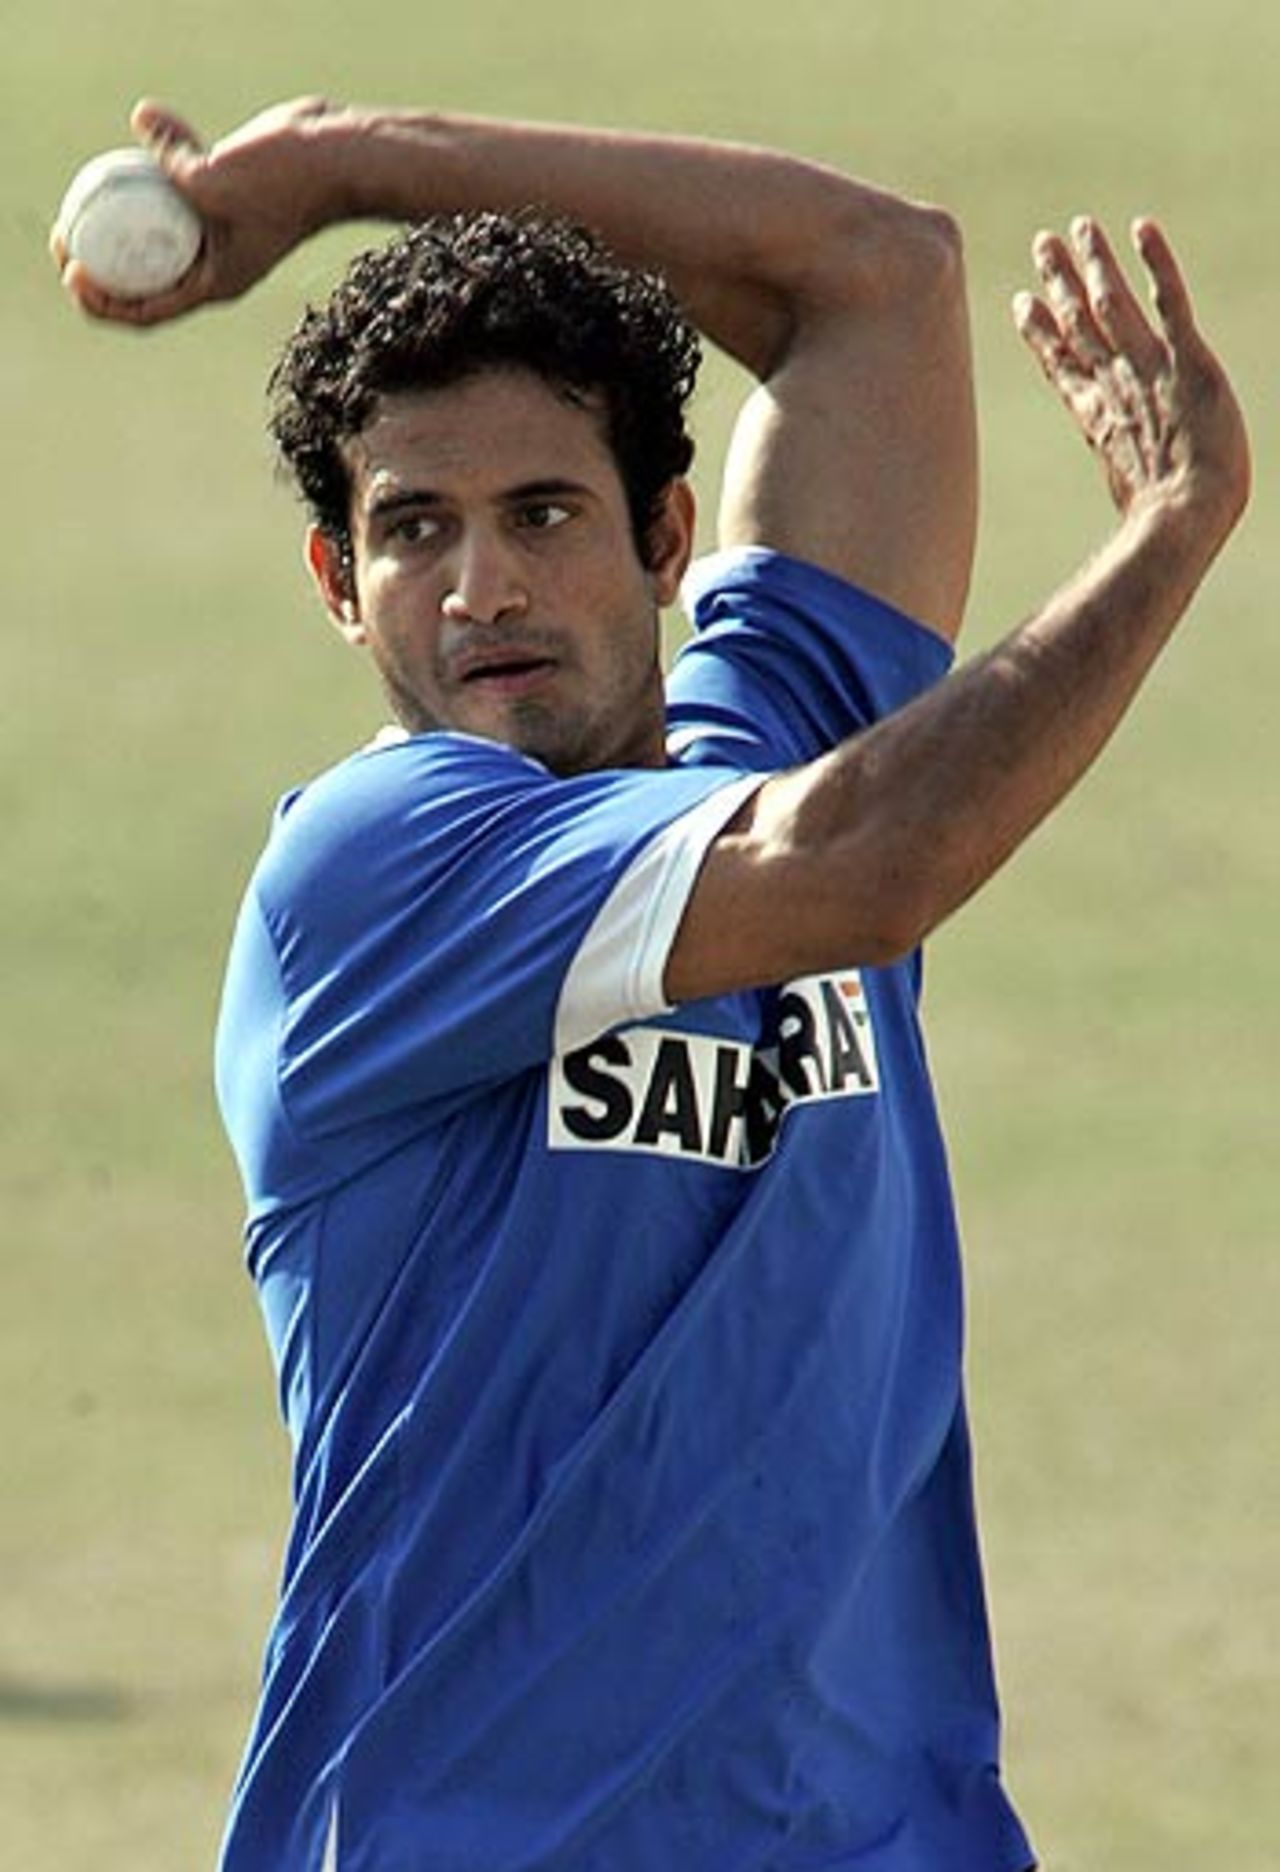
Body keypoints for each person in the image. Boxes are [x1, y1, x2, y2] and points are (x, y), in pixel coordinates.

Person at [54, 97, 1248, 1872]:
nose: (482, 586)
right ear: (338, 580)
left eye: (543, 512)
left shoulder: (780, 727)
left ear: (667, 535)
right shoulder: (376, 874)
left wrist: (347, 166)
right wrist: (1166, 534)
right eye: (412, 528)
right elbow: (865, 865)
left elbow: (875, 280)